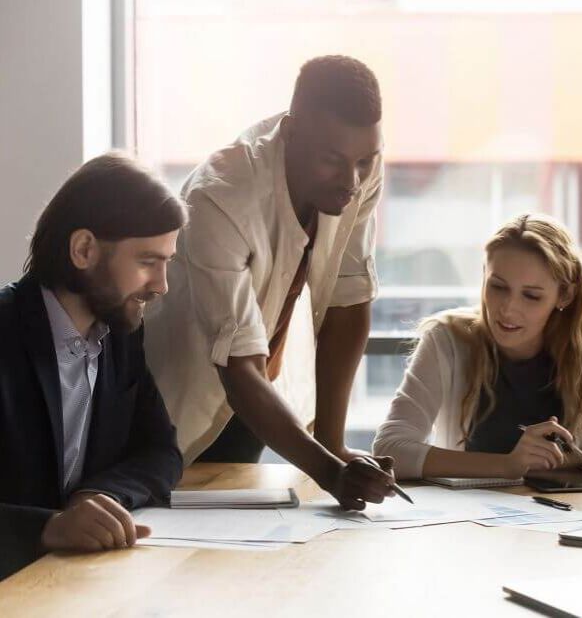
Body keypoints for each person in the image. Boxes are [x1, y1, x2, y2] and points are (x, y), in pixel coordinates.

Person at [144, 55, 395, 510]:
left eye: (365, 161)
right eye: (334, 162)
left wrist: (334, 447)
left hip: (262, 403)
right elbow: (237, 369)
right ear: (292, 132)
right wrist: (332, 473)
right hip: (180, 406)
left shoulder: (356, 169)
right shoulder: (220, 197)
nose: (352, 181)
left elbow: (348, 299)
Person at [373, 214, 582, 479]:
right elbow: (391, 448)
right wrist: (508, 465)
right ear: (483, 277)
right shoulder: (446, 339)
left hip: (574, 521)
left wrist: (581, 459)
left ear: (564, 296)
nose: (508, 309)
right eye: (497, 287)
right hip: (469, 528)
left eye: (531, 295)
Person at [0, 153, 186, 580]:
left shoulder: (121, 332)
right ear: (83, 249)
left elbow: (160, 451)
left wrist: (97, 495)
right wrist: (48, 528)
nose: (161, 285)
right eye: (147, 262)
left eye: (166, 262)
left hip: (76, 580)